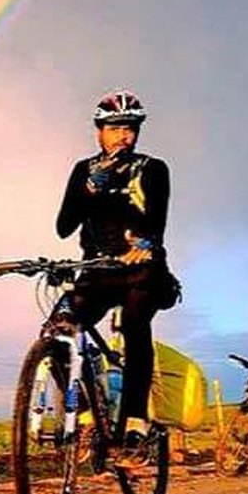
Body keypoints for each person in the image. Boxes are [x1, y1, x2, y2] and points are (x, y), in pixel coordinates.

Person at [54, 89, 173, 459]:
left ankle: (136, 423)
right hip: (97, 269)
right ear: (99, 131)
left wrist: (146, 243)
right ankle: (90, 415)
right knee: (58, 331)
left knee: (136, 323)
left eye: (131, 128)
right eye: (116, 128)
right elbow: (63, 226)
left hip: (141, 269)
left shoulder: (152, 168)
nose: (124, 136)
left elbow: (156, 223)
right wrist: (91, 189)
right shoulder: (83, 170)